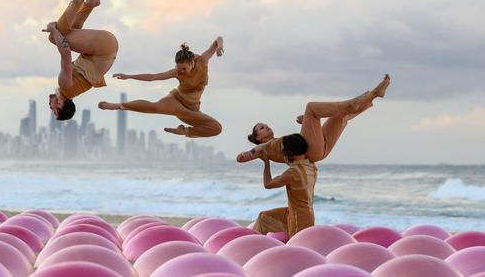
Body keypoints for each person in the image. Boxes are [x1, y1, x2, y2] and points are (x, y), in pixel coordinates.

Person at [237, 74, 391, 236]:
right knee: (311, 108)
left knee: (339, 117)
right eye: (261, 128)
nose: (266, 127)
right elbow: (241, 158)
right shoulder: (264, 147)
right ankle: (360, 100)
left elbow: (298, 143)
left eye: (266, 125)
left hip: (314, 151)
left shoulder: (280, 143)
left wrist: (309, 124)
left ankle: (371, 96)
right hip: (311, 152)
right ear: (258, 138)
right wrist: (252, 153)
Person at [98, 39, 224, 138]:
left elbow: (218, 39)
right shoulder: (176, 72)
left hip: (192, 109)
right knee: (154, 107)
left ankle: (184, 131)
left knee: (216, 128)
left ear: (192, 63)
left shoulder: (203, 60)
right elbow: (153, 77)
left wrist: (219, 46)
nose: (181, 71)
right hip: (176, 100)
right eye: (178, 68)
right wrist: (129, 76)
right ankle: (117, 105)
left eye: (184, 69)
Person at [43, 0, 118, 120]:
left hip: (106, 48)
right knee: (54, 37)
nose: (50, 108)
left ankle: (90, 3)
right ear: (60, 104)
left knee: (69, 31)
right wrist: (53, 29)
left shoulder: (73, 90)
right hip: (103, 47)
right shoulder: (65, 85)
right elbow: (65, 52)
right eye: (54, 111)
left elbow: (73, 39)